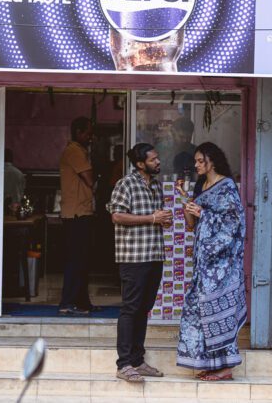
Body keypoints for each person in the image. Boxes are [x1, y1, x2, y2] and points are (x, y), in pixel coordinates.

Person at [175, 142, 247, 381]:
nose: (195, 165)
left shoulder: (226, 187)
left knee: (220, 312)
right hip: (203, 264)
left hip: (223, 265)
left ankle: (225, 367)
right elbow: (192, 224)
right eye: (195, 161)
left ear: (211, 160)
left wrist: (203, 213)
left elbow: (233, 224)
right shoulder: (200, 185)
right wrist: (186, 202)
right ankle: (210, 363)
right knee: (200, 310)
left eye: (199, 161)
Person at [106, 143, 173, 383]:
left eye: (157, 157)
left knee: (143, 309)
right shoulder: (126, 184)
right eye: (153, 159)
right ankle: (124, 364)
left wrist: (162, 221)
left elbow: (154, 218)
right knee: (130, 308)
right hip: (133, 257)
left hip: (154, 255)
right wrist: (152, 217)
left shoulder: (155, 185)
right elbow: (117, 215)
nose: (158, 162)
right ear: (140, 164)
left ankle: (137, 360)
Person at [58, 117, 97, 315]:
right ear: (79, 132)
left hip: (81, 212)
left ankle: (82, 302)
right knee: (76, 259)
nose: (91, 137)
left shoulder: (79, 151)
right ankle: (68, 302)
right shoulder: (74, 151)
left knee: (82, 260)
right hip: (75, 214)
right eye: (88, 133)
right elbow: (89, 180)